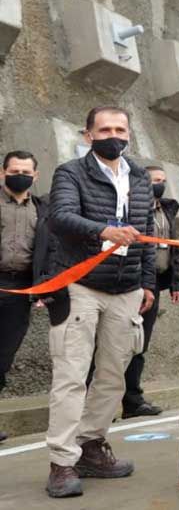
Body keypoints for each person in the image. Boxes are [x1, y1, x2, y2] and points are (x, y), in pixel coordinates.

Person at [41, 107, 156, 499]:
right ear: (88, 134)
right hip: (80, 285)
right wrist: (103, 230)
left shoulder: (140, 176)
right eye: (104, 129)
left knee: (112, 375)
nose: (114, 135)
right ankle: (62, 460)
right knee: (72, 375)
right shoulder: (71, 173)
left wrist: (147, 283)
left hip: (126, 290)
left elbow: (147, 233)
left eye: (120, 128)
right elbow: (60, 218)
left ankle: (91, 445)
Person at [120, 165, 179, 419]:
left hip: (155, 283)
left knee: (140, 343)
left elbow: (174, 249)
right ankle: (100, 399)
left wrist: (176, 283)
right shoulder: (130, 208)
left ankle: (132, 399)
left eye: (163, 180)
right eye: (155, 180)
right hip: (130, 282)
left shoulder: (167, 210)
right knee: (116, 342)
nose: (160, 184)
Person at [0, 150, 53, 445]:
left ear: (35, 175)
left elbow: (48, 250)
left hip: (20, 291)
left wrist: (42, 287)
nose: (19, 175)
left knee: (3, 358)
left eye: (25, 171)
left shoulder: (43, 209)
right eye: (14, 170)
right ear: (2, 172)